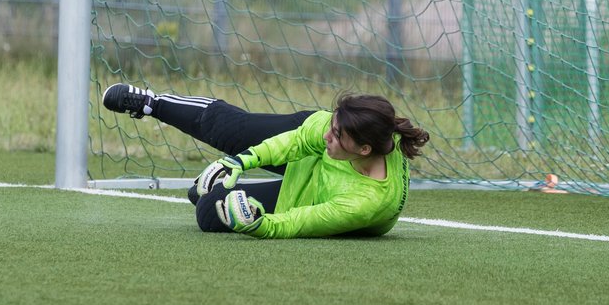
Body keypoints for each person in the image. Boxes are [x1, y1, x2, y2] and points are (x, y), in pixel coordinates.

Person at [102, 83, 430, 238]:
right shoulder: (335, 131)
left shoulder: (365, 203)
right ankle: (151, 102)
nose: (329, 134)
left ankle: (215, 189)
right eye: (333, 125)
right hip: (308, 150)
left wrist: (257, 224)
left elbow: (300, 221)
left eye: (338, 135)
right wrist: (239, 161)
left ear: (363, 151)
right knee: (230, 131)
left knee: (208, 210)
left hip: (309, 195)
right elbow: (299, 141)